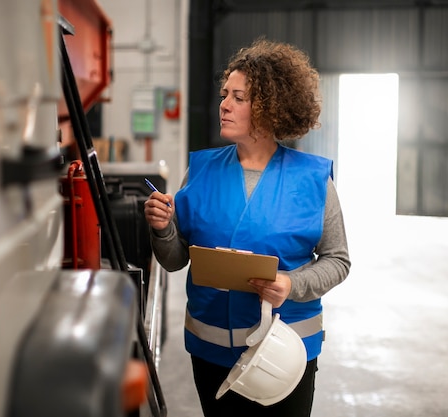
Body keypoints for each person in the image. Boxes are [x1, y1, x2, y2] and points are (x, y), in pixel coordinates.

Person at [143, 38, 351, 417]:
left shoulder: (313, 179)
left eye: (238, 97)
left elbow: (338, 260)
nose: (224, 104)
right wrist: (162, 229)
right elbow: (174, 260)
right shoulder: (202, 171)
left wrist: (291, 284)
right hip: (210, 353)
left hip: (285, 351)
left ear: (270, 107)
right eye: (225, 94)